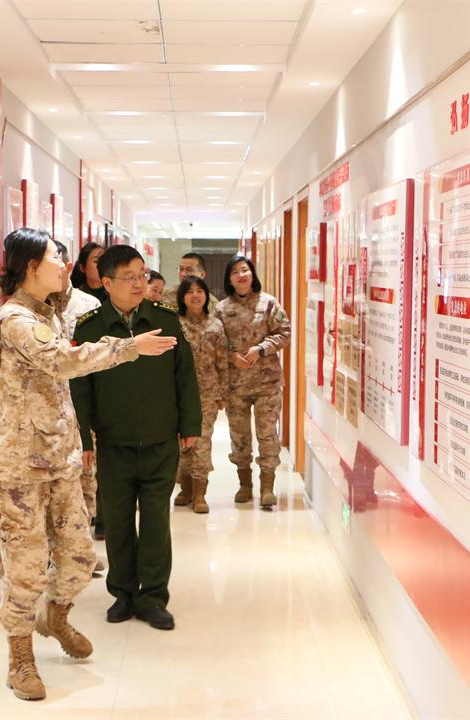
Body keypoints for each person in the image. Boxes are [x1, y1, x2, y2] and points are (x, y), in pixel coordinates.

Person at [0, 228, 176, 700]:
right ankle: (20, 657)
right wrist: (128, 347)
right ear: (30, 267)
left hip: (58, 460)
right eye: (55, 257)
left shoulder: (48, 309)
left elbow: (83, 302)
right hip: (18, 468)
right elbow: (63, 361)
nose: (65, 264)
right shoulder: (16, 320)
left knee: (79, 558)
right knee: (27, 568)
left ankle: (55, 617)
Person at [71, 245, 201, 631]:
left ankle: (153, 597)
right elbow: (80, 389)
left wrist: (190, 425)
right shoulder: (90, 328)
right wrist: (85, 440)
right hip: (114, 442)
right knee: (118, 522)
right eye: (129, 277)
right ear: (106, 283)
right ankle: (123, 594)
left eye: (142, 275)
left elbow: (185, 375)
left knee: (157, 522)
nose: (139, 284)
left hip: (161, 439)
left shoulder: (164, 320)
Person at [214, 255, 291, 509]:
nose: (241, 275)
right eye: (235, 272)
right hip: (235, 384)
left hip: (267, 383)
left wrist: (261, 349)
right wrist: (231, 356)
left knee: (267, 433)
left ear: (252, 274)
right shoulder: (221, 309)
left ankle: (267, 486)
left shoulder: (268, 303)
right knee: (239, 436)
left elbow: (285, 333)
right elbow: (214, 342)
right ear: (229, 279)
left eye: (245, 270)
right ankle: (244, 484)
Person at [52, 239, 105, 570]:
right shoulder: (32, 309)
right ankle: (54, 554)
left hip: (82, 407)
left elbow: (100, 359)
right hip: (47, 413)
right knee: (51, 485)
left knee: (85, 481)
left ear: (69, 266)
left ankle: (81, 552)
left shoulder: (88, 306)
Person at [174, 276, 229, 514]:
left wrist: (223, 393)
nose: (195, 296)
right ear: (182, 297)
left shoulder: (215, 326)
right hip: (178, 394)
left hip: (206, 394)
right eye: (190, 292)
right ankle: (185, 489)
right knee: (181, 443)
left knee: (202, 442)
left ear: (206, 295)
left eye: (200, 291)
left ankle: (199, 494)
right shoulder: (175, 324)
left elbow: (223, 363)